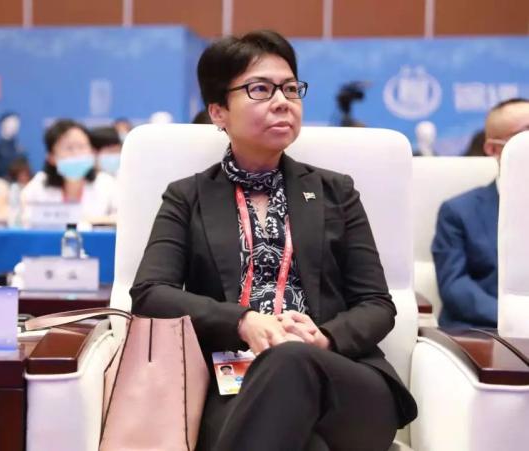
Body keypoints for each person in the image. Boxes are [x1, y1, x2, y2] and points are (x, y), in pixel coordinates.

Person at [130, 30, 417, 451]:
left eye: (290, 89)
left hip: (343, 381)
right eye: (260, 89)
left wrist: (324, 337)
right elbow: (150, 294)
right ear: (218, 111)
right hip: (235, 380)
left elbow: (376, 304)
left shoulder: (335, 192)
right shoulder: (188, 197)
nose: (283, 101)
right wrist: (242, 322)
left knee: (291, 360)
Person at [433, 98, 529, 328]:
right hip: (485, 330)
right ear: (493, 149)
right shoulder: (458, 211)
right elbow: (455, 287)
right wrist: (516, 320)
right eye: (525, 134)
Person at [20, 120, 117, 225]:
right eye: (69, 148)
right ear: (51, 157)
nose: (77, 153)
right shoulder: (38, 185)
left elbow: (120, 219)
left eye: (81, 147)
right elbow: (27, 221)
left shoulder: (106, 184)